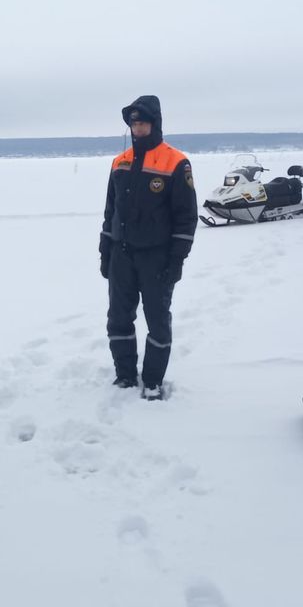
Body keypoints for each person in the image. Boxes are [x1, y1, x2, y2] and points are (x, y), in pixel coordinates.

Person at [99, 96, 197, 400]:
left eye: (143, 123)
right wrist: (105, 250)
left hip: (157, 257)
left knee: (157, 320)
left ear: (155, 124)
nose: (138, 128)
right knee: (118, 318)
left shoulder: (175, 162)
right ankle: (125, 375)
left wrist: (176, 260)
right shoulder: (120, 161)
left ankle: (153, 381)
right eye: (134, 123)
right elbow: (110, 210)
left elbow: (186, 217)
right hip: (121, 254)